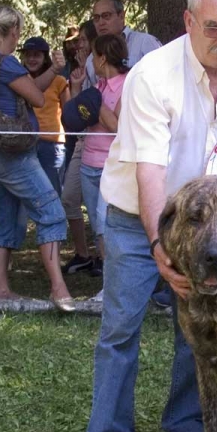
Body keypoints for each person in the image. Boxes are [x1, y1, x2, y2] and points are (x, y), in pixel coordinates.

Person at [74, 0, 217, 432]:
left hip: (207, 228)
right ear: (188, 22)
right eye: (212, 28)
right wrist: (162, 246)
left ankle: (188, 426)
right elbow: (150, 176)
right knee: (121, 330)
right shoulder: (152, 75)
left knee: (201, 334)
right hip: (137, 220)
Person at [0, 5, 74, 310]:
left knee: (6, 217)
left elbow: (26, 88)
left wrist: (53, 71)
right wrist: (52, 76)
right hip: (16, 155)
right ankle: (59, 289)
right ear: (13, 32)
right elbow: (38, 97)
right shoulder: (8, 63)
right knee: (51, 212)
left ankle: (0, 289)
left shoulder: (2, 66)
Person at [66, 34, 130, 302]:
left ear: (103, 58)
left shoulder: (127, 85)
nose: (90, 59)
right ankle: (108, 283)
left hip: (110, 166)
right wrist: (79, 88)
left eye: (93, 54)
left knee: (107, 227)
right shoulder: (99, 84)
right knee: (98, 227)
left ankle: (114, 288)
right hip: (88, 164)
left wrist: (97, 102)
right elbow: (77, 115)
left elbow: (118, 127)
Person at [61, 20, 98, 275]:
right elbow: (75, 113)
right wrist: (76, 85)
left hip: (105, 145)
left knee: (102, 209)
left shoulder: (104, 65)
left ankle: (105, 258)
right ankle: (84, 254)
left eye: (82, 40)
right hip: (82, 141)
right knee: (69, 198)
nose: (78, 45)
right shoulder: (81, 68)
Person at [20, 36, 70, 195]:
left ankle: (55, 220)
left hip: (51, 144)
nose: (31, 59)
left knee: (52, 193)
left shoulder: (59, 80)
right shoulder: (18, 79)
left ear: (45, 57)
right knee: (26, 194)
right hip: (25, 143)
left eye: (37, 55)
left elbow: (68, 110)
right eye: (28, 54)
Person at [84, 0, 162, 88]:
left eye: (106, 16)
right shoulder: (91, 59)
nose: (101, 22)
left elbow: (163, 79)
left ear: (121, 16)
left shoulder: (145, 43)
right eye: (96, 18)